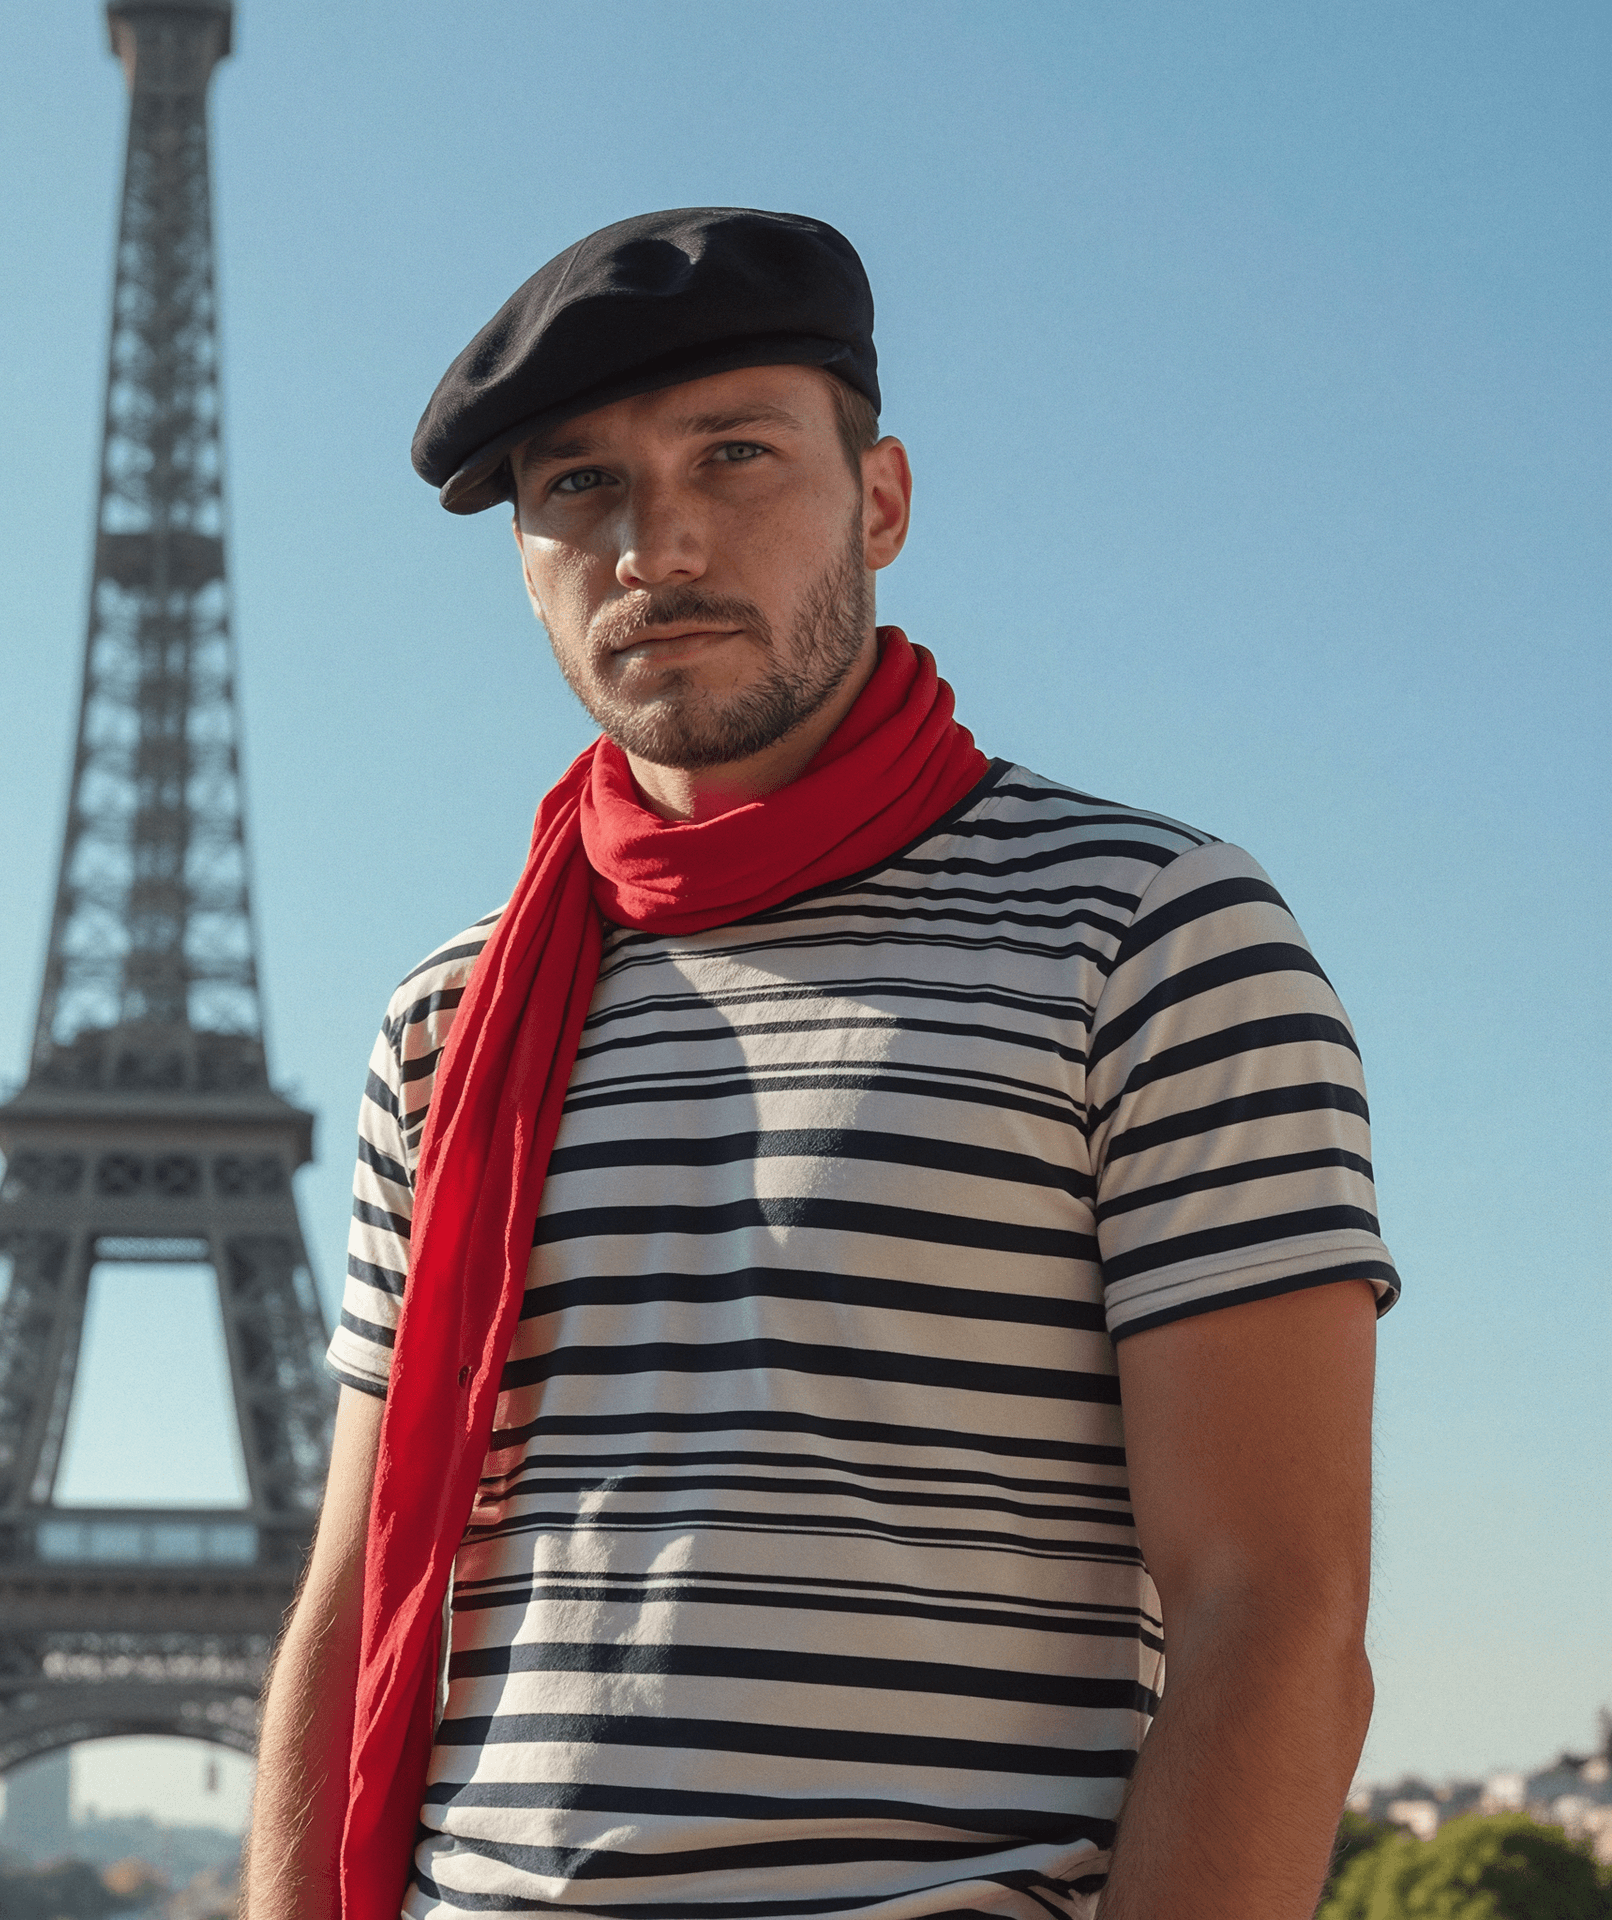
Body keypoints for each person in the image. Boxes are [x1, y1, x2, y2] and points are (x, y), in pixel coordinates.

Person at [245, 207, 1399, 1920]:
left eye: (736, 453)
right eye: (579, 486)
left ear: (881, 501)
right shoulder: (448, 1018)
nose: (658, 540)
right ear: (526, 553)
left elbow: (1275, 1611)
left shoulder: (1150, 937)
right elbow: (351, 1596)